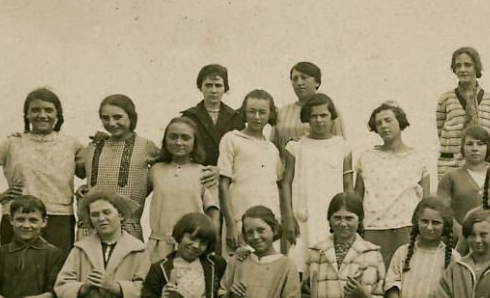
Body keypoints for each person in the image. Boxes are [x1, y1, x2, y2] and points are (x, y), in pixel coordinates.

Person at [0, 87, 83, 251]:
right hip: (18, 218)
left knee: (58, 272)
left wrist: (99, 142)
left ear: (57, 114)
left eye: (48, 110)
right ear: (26, 114)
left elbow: (86, 171)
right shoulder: (13, 143)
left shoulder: (71, 144)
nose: (42, 115)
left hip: (58, 219)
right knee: (15, 270)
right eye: (35, 110)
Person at [281, 93, 355, 268]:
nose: (319, 120)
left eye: (324, 115)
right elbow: (286, 183)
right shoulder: (295, 147)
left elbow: (348, 187)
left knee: (330, 267)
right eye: (314, 116)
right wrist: (288, 217)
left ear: (332, 117)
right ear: (307, 118)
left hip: (332, 218)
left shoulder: (343, 147)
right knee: (299, 264)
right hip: (303, 216)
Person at [355, 101, 432, 264]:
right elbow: (357, 199)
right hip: (373, 228)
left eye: (388, 120)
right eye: (378, 123)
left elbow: (425, 202)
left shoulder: (418, 158)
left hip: (406, 228)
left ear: (400, 121)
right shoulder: (366, 158)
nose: (383, 126)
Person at [79, 94, 157, 234]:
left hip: (127, 227)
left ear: (131, 117)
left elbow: (167, 168)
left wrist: (143, 187)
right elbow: (85, 174)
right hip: (94, 227)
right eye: (105, 118)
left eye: (118, 117)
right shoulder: (95, 145)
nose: (112, 123)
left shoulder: (146, 146)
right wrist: (84, 188)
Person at [216, 91, 284, 253]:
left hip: (268, 225)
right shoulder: (231, 139)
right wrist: (231, 224)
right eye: (252, 112)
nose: (257, 117)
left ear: (270, 115)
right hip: (240, 221)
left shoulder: (272, 149)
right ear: (244, 113)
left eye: (262, 112)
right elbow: (222, 185)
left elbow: (278, 187)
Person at [144, 116, 217, 262]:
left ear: (194, 142)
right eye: (173, 137)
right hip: (159, 246)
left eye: (185, 138)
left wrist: (210, 243)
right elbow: (136, 196)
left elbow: (213, 211)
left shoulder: (204, 172)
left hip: (191, 247)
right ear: (165, 140)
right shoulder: (155, 170)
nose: (179, 142)